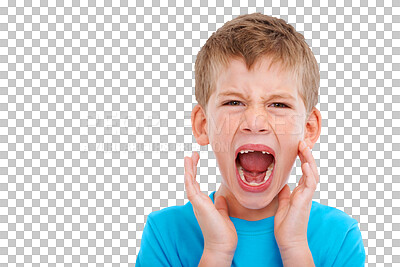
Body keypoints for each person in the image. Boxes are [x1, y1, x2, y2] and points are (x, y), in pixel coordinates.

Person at [136, 13, 366, 266]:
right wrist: (216, 252)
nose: (255, 123)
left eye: (278, 104)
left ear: (309, 128)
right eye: (233, 102)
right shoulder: (166, 233)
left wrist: (295, 248)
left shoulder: (340, 236)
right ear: (203, 125)